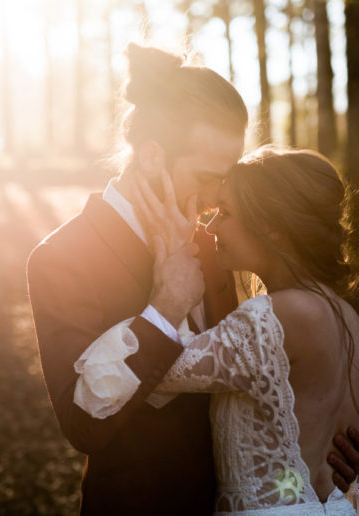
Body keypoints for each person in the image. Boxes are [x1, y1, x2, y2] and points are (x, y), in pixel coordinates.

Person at [27, 43, 359, 515]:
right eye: (207, 177)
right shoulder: (62, 257)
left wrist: (324, 476)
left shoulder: (220, 243)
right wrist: (164, 308)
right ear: (151, 158)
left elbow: (288, 384)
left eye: (226, 181)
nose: (216, 198)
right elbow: (83, 421)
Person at [78, 146, 359, 513]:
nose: (209, 227)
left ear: (271, 227)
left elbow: (143, 370)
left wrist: (172, 276)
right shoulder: (346, 313)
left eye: (225, 213)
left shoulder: (280, 315)